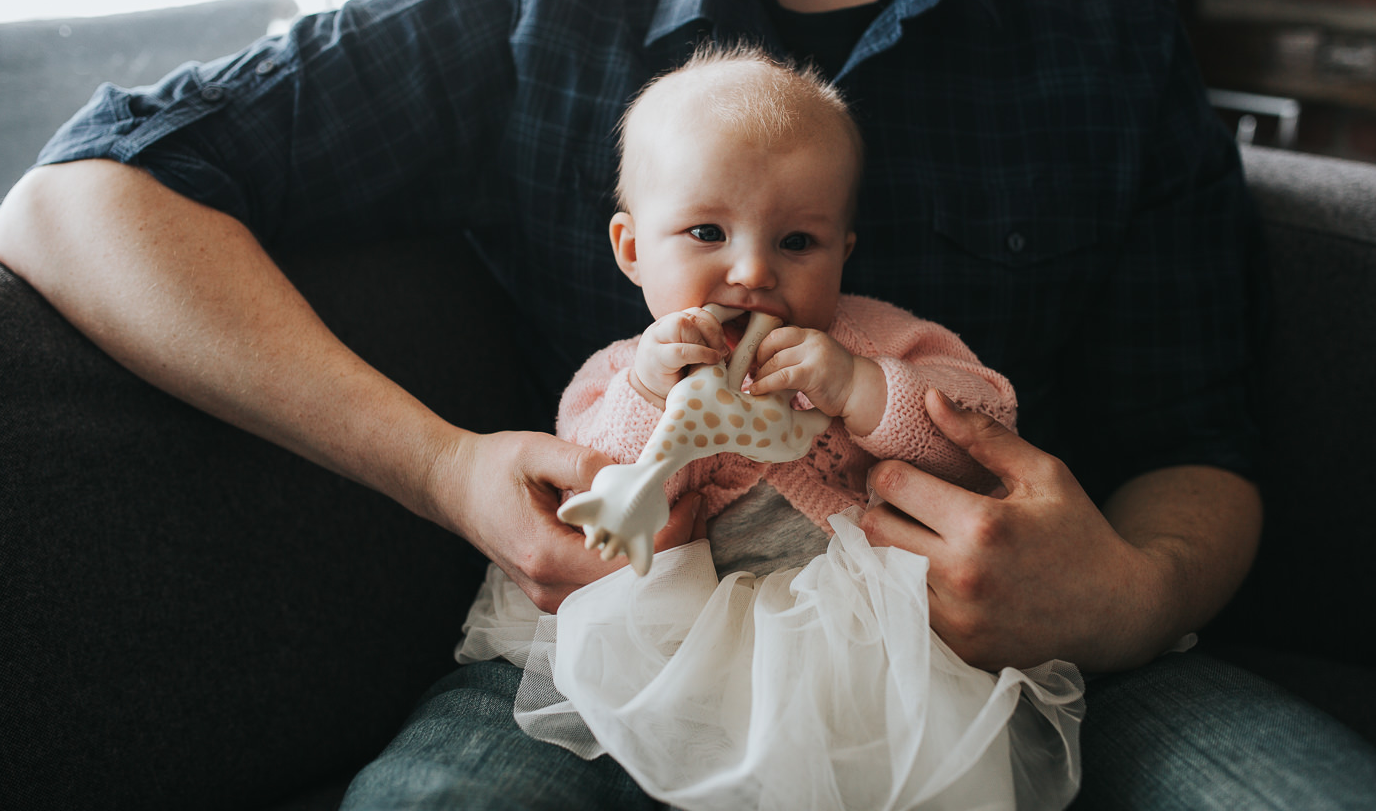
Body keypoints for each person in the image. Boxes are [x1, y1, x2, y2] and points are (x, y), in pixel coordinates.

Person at [0, 0, 1376, 807]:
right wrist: (441, 465)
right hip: (616, 649)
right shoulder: (543, 1)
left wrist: (1128, 595)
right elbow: (85, 196)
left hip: (1018, 656)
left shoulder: (1099, 28)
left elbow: (1205, 439)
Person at [455, 43, 1084, 810]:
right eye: (707, 234)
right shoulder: (623, 371)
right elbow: (596, 485)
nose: (753, 272)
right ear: (631, 249)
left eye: (796, 243)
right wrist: (652, 394)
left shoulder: (874, 339)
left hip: (859, 641)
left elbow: (985, 428)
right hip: (671, 634)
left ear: (843, 254)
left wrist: (865, 388)